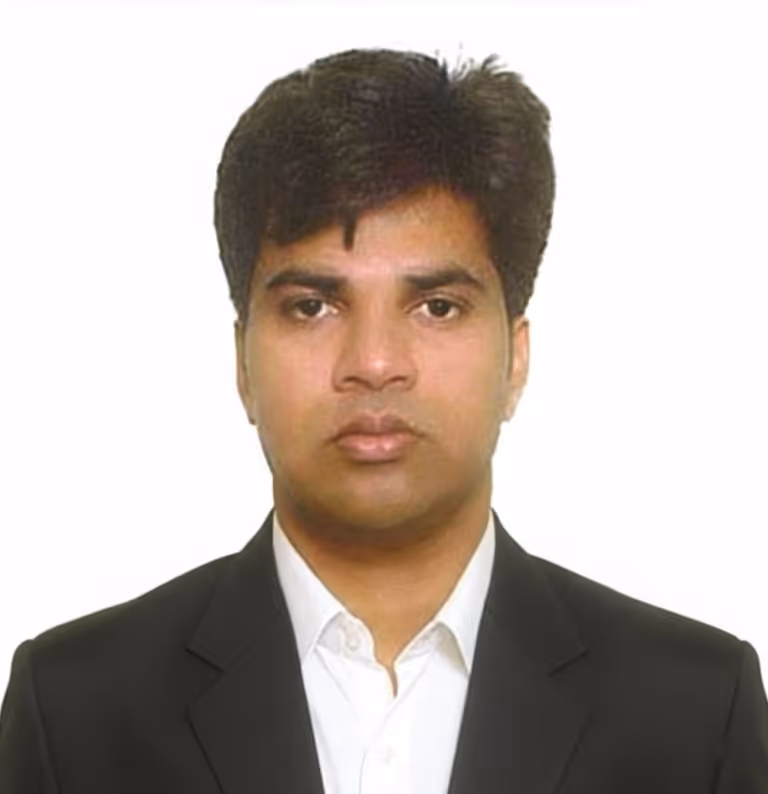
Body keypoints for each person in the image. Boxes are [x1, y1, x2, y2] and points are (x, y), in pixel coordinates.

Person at [0, 47, 766, 793]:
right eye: (313, 306)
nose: (373, 361)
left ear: (516, 360)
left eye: (437, 307)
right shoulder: (75, 713)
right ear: (243, 363)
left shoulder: (695, 713)